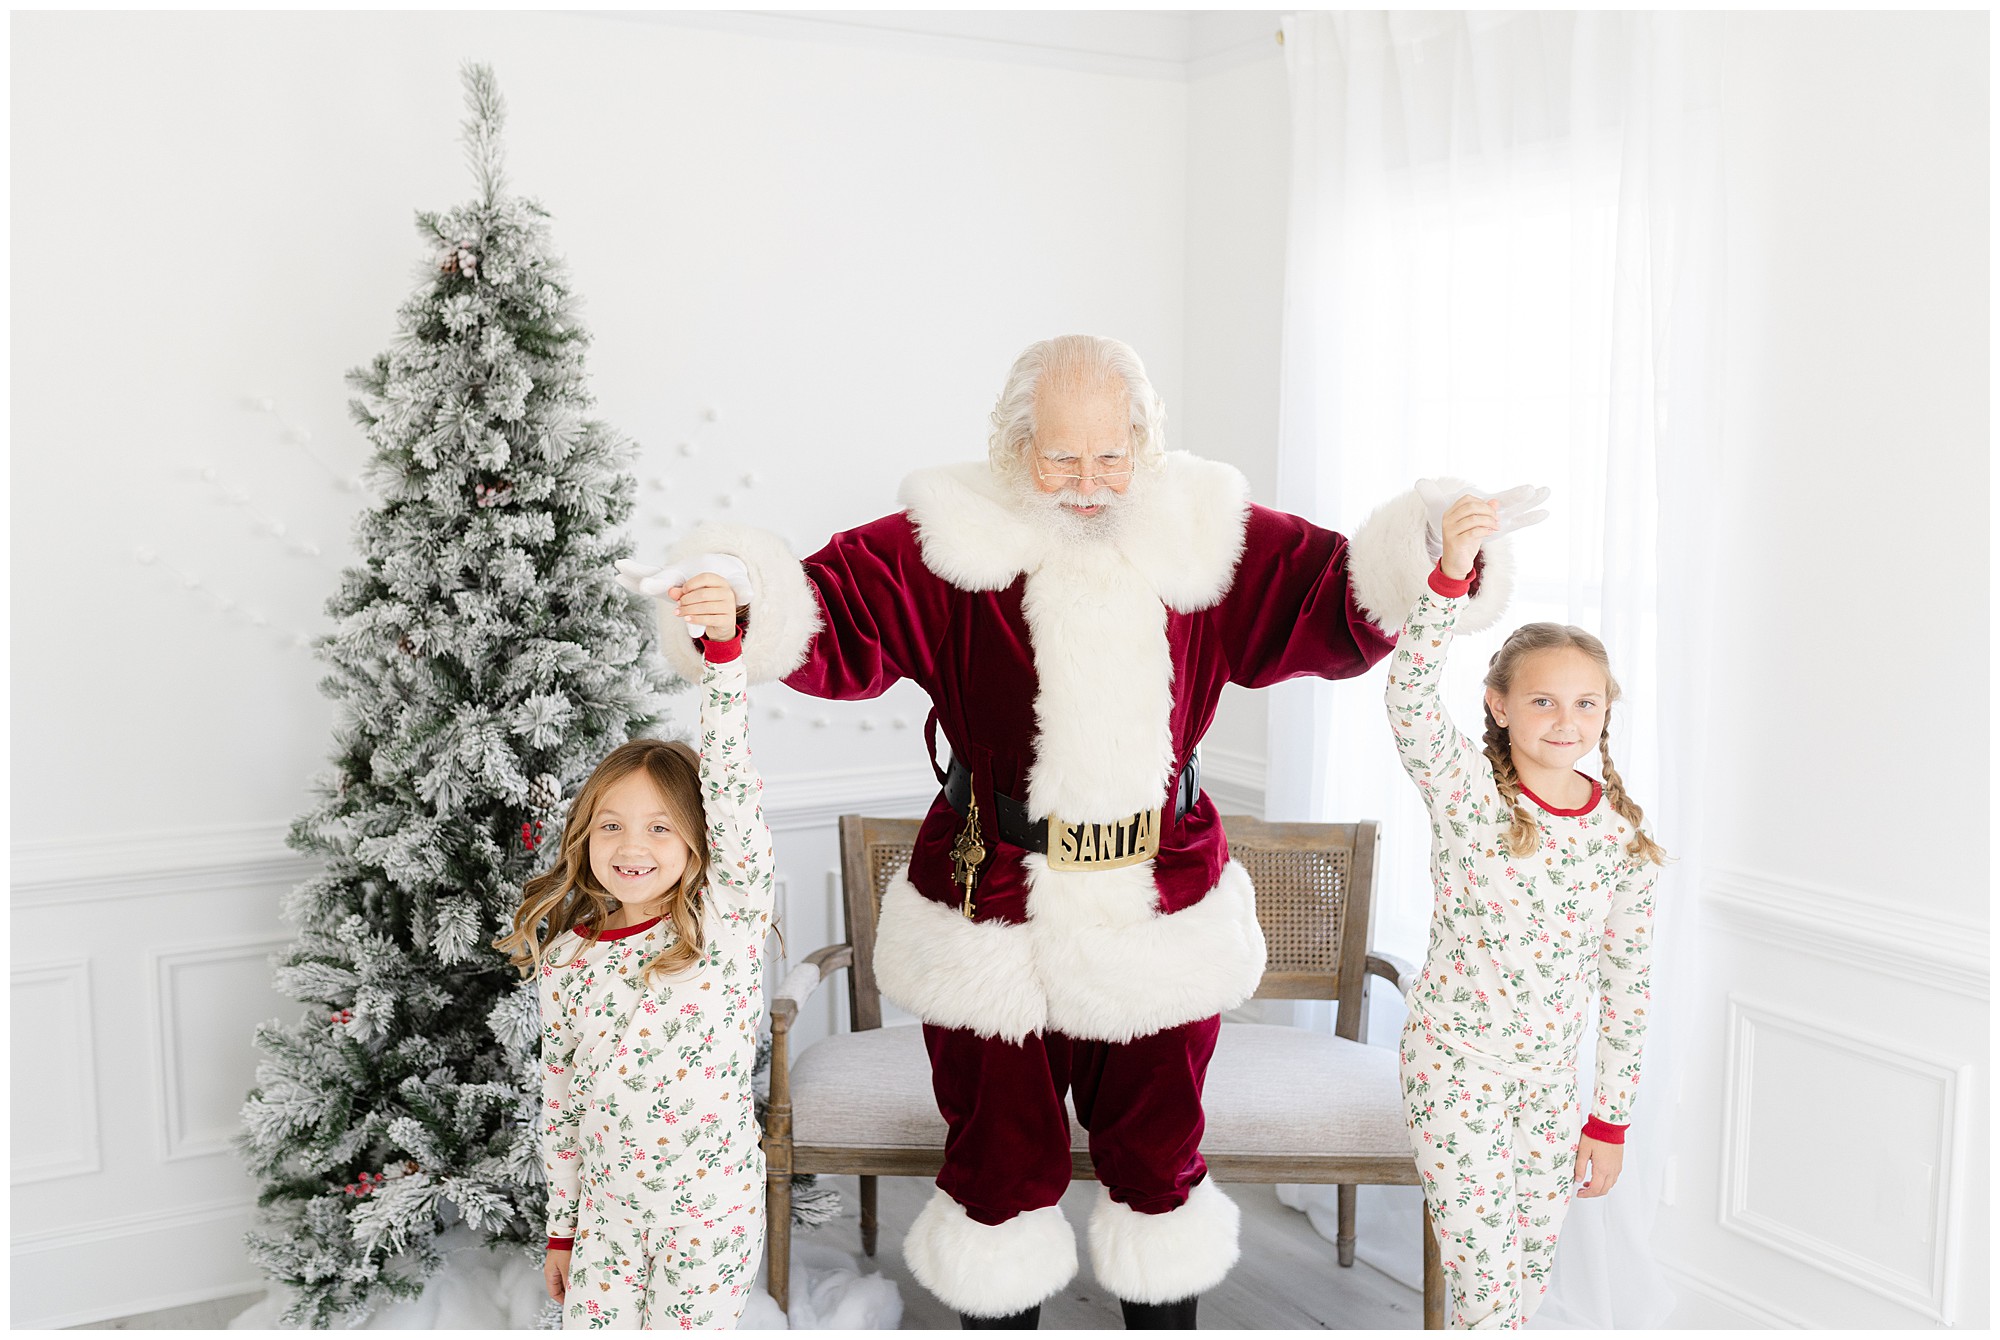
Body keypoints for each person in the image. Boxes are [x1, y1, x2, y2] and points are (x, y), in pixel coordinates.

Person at [618, 335, 1545, 1329]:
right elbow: (830, 616)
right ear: (1015, 444)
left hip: (1160, 906)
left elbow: (1338, 596)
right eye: (1061, 457)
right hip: (989, 909)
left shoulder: (1206, 527)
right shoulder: (947, 532)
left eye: (1112, 454)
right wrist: (736, 599)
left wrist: (1433, 552)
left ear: (1144, 440)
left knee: (1157, 1165)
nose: (1089, 482)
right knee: (994, 1171)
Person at [1385, 493, 1667, 1330]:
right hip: (1455, 1064)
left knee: (1529, 1278)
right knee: (1483, 1279)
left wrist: (1609, 1118)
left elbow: (1627, 989)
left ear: (1607, 712)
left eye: (1586, 703)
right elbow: (1407, 697)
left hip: (1550, 1086)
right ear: (1501, 705)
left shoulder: (1621, 837)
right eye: (1543, 701)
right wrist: (1451, 577)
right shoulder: (1466, 793)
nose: (1566, 720)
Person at [497, 572, 772, 1331]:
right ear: (585, 837)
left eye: (658, 826)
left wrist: (723, 657)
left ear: (697, 837)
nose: (631, 845)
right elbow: (562, 1105)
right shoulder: (567, 962)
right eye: (610, 825)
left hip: (708, 1218)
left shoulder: (724, 923)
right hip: (607, 1226)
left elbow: (733, 790)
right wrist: (564, 1229)